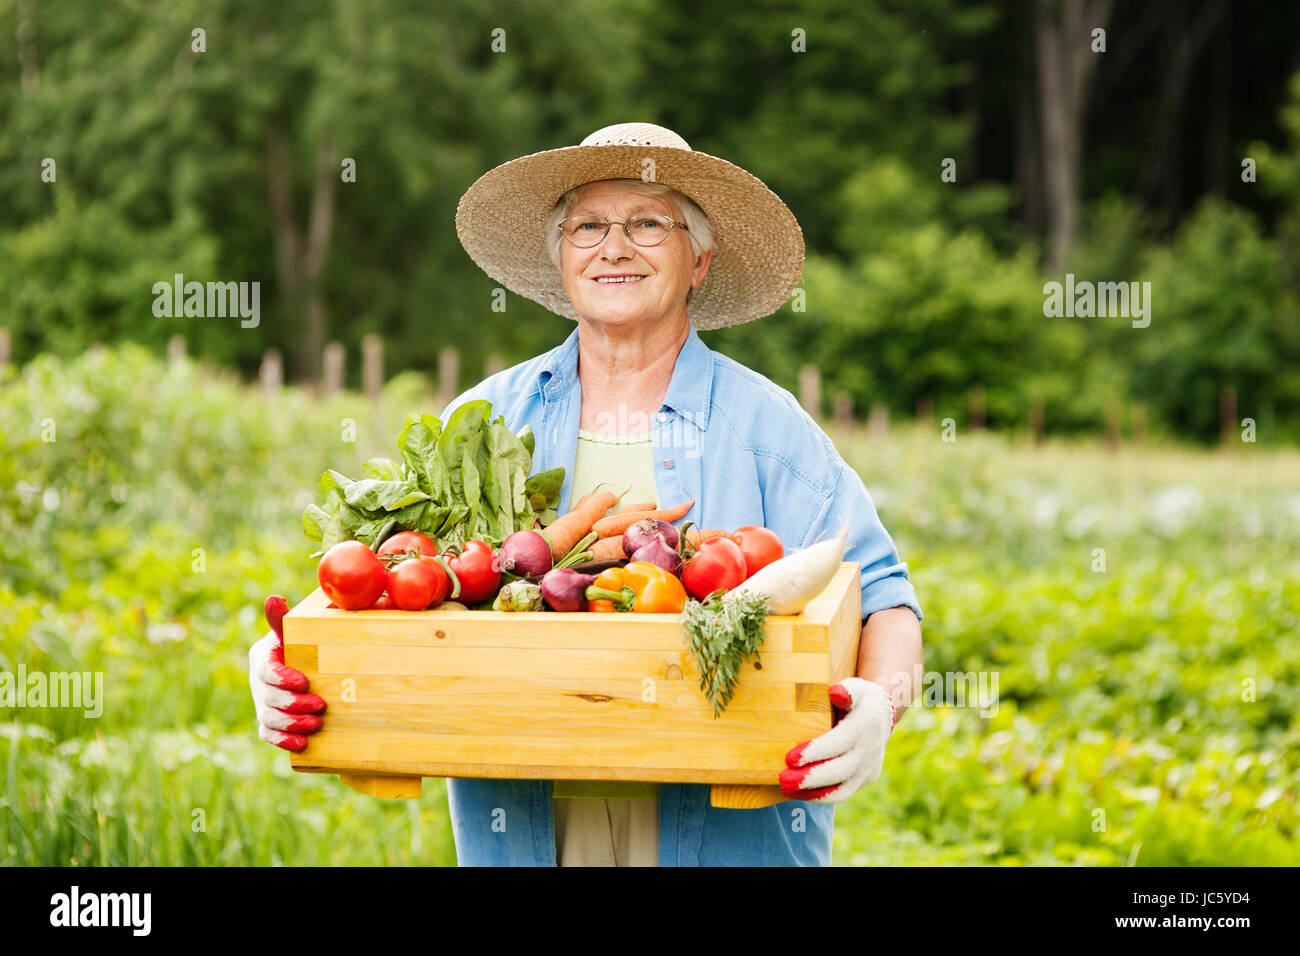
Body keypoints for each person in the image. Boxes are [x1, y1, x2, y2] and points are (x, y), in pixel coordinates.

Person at [249, 122, 923, 866]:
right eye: (588, 226)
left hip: (726, 836)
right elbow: (383, 581)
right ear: (561, 259)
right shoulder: (488, 420)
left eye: (646, 223)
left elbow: (885, 597)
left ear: (699, 259)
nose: (614, 247)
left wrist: (876, 706)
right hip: (529, 831)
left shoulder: (767, 428)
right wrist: (283, 661)